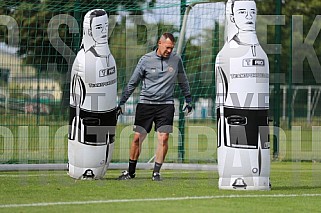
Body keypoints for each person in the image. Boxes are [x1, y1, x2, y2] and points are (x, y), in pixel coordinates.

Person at [117, 32, 192, 181]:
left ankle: (156, 173)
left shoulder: (176, 60)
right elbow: (133, 82)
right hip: (146, 104)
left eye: (172, 48)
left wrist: (188, 99)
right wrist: (121, 102)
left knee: (163, 138)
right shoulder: (145, 60)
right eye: (167, 47)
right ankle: (130, 172)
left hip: (166, 105)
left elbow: (183, 81)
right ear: (159, 43)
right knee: (137, 138)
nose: (169, 51)